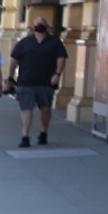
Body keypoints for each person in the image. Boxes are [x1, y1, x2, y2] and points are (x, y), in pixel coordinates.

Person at [9, 19, 66, 148]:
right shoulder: (24, 42)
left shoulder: (55, 43)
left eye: (42, 23)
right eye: (36, 24)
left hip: (46, 82)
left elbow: (61, 59)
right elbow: (14, 60)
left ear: (47, 26)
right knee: (26, 109)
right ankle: (25, 137)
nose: (39, 26)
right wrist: (10, 77)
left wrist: (57, 74)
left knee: (45, 110)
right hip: (26, 82)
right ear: (33, 27)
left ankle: (43, 132)